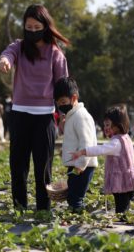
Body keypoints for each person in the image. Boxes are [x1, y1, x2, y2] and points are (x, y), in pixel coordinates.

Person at [0, 4, 69, 210]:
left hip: (44, 118)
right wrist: (4, 62)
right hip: (19, 114)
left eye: (37, 27)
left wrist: (64, 116)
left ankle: (43, 208)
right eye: (29, 27)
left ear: (45, 27)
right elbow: (7, 55)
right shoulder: (19, 47)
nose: (32, 31)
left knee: (42, 166)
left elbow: (63, 87)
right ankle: (19, 205)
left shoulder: (56, 54)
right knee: (18, 165)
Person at [70, 104, 134, 216]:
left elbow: (101, 149)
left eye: (108, 125)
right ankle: (125, 216)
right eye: (104, 125)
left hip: (121, 184)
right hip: (129, 181)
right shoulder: (126, 138)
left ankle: (122, 221)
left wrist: (82, 152)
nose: (105, 128)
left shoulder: (116, 142)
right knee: (124, 207)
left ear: (118, 125)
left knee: (121, 209)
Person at [54, 77, 98, 212]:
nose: (61, 106)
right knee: (72, 194)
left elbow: (87, 142)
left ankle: (78, 215)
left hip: (83, 166)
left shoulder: (81, 116)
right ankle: (75, 212)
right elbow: (73, 140)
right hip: (75, 164)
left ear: (73, 98)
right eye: (58, 103)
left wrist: (80, 165)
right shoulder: (72, 115)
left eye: (63, 102)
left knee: (75, 196)